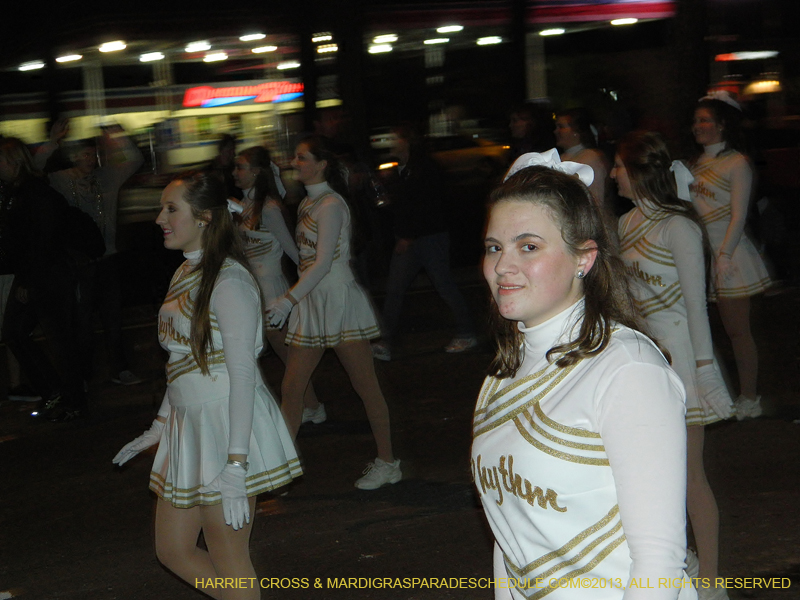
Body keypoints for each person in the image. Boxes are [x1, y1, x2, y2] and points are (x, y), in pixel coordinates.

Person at [473, 151, 695, 599]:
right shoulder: (503, 371)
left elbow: (659, 560)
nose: (502, 266)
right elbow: (511, 542)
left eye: (528, 246)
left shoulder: (627, 369)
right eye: (494, 247)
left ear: (584, 258)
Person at [112, 171, 301, 599]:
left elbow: (243, 375)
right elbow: (183, 360)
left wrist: (235, 465)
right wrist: (160, 426)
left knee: (230, 561)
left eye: (171, 209)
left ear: (204, 217)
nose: (160, 218)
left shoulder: (230, 281)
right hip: (188, 424)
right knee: (173, 550)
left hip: (224, 426)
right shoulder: (185, 270)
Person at [614, 132, 733, 600]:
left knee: (688, 478)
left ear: (639, 172)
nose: (614, 174)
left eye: (620, 167)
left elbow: (697, 307)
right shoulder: (625, 224)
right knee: (648, 478)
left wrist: (704, 371)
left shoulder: (678, 227)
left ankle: (712, 581)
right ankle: (680, 560)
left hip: (682, 359)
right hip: (646, 360)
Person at [267, 135, 400, 490]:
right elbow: (305, 259)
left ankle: (388, 462)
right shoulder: (308, 203)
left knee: (366, 386)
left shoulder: (330, 205)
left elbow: (323, 263)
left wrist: (288, 299)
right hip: (312, 301)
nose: (295, 163)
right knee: (292, 387)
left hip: (337, 300)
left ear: (322, 164)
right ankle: (280, 467)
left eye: (302, 158)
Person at [35, 120, 145, 386]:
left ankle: (119, 368)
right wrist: (52, 141)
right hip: (79, 261)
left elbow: (136, 160)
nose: (89, 159)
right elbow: (34, 170)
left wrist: (118, 135)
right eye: (84, 154)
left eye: (92, 154)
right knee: (82, 320)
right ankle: (83, 374)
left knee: (113, 316)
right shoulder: (62, 179)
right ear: (73, 157)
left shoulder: (107, 177)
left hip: (108, 258)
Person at [689, 94, 770, 419]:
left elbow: (739, 215)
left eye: (705, 120)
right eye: (696, 120)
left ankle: (750, 397)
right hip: (711, 256)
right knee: (724, 332)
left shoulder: (737, 163)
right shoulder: (696, 164)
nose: (697, 126)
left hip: (733, 256)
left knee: (738, 332)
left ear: (722, 124)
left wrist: (724, 256)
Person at [231, 145, 323, 424]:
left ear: (256, 172)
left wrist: (310, 282)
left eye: (241, 167)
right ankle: (309, 406)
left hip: (272, 289)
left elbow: (293, 251)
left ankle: (311, 407)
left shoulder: (269, 209)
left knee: (288, 354)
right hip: (255, 288)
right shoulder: (245, 205)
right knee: (281, 354)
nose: (235, 173)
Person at [371, 123, 477, 361]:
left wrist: (407, 235)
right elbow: (407, 204)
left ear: (407, 142)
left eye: (395, 139)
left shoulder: (424, 168)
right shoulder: (402, 169)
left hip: (428, 238)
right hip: (414, 237)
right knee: (395, 289)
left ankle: (467, 332)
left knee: (443, 286)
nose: (390, 143)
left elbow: (427, 206)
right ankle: (385, 342)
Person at [0, 137, 85, 421]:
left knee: (58, 341)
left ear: (14, 162)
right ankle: (57, 393)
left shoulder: (33, 193)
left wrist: (27, 280)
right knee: (17, 333)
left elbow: (40, 241)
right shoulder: (18, 191)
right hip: (38, 274)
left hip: (48, 276)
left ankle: (71, 401)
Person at [554, 108, 610, 210]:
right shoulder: (561, 157)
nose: (555, 131)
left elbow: (594, 198)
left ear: (576, 131)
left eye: (561, 127)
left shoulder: (590, 158)